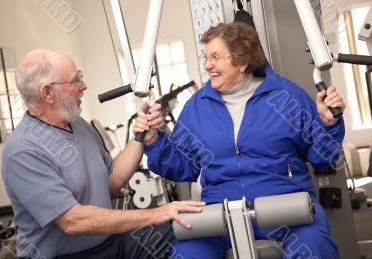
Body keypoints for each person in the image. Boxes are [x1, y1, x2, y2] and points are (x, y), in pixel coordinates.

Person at [133, 22, 346, 258]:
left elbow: (322, 158)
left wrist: (328, 124)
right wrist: (154, 142)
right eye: (206, 57)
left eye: (216, 56)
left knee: (315, 248)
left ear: (243, 61)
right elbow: (183, 167)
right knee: (187, 255)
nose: (207, 65)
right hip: (219, 214)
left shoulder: (286, 96)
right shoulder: (197, 106)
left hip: (286, 207)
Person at [1, 49, 205, 259]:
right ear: (47, 93)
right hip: (68, 255)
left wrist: (143, 135)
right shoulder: (22, 151)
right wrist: (156, 213)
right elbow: (73, 221)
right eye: (75, 81)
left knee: (180, 230)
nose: (84, 86)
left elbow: (112, 180)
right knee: (163, 219)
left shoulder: (77, 123)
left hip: (111, 242)